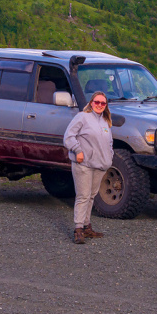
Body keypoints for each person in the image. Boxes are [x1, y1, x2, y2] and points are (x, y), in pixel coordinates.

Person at [62, 91, 114, 244]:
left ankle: (87, 226)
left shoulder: (105, 121)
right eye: (97, 102)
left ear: (105, 106)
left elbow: (109, 143)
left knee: (91, 195)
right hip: (83, 164)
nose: (99, 105)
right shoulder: (82, 117)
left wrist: (109, 157)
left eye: (102, 103)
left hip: (100, 165)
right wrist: (78, 150)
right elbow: (68, 136)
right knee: (83, 196)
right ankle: (78, 229)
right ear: (91, 103)